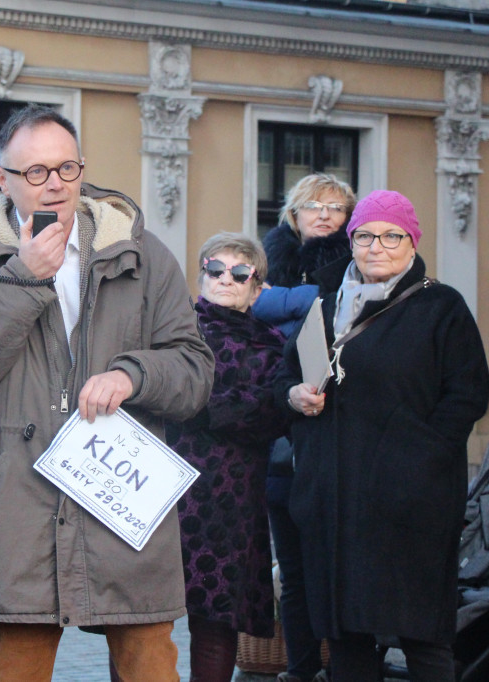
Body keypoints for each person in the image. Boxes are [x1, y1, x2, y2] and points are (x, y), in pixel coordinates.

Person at [0, 104, 214, 681]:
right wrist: (22, 278)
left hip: (121, 494)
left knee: (149, 666)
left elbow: (195, 369)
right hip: (15, 499)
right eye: (34, 172)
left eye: (66, 167)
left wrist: (134, 374)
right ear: (0, 178)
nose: (54, 183)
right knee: (20, 670)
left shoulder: (141, 252)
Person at [275, 190, 489, 681]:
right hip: (336, 503)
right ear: (351, 242)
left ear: (412, 243)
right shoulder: (326, 309)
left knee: (423, 637)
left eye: (392, 235)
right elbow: (286, 378)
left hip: (410, 503)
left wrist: (419, 460)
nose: (377, 246)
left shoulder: (441, 307)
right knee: (348, 639)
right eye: (366, 235)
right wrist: (293, 396)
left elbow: (468, 394)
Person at [166, 233, 288, 681]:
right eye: (215, 269)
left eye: (240, 273)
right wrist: (224, 406)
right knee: (140, 616)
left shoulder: (273, 344)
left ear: (257, 288)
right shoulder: (172, 330)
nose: (224, 279)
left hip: (229, 501)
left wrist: (202, 405)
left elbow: (272, 412)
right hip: (162, 487)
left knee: (217, 621)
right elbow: (160, 392)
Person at [252, 173, 356, 682]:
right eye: (312, 205)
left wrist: (286, 300)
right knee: (292, 573)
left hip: (336, 441)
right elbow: (252, 306)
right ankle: (298, 669)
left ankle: (344, 667)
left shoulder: (361, 265)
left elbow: (279, 307)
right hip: (279, 443)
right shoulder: (268, 263)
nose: (323, 214)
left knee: (336, 569)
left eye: (335, 208)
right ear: (292, 214)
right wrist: (309, 297)